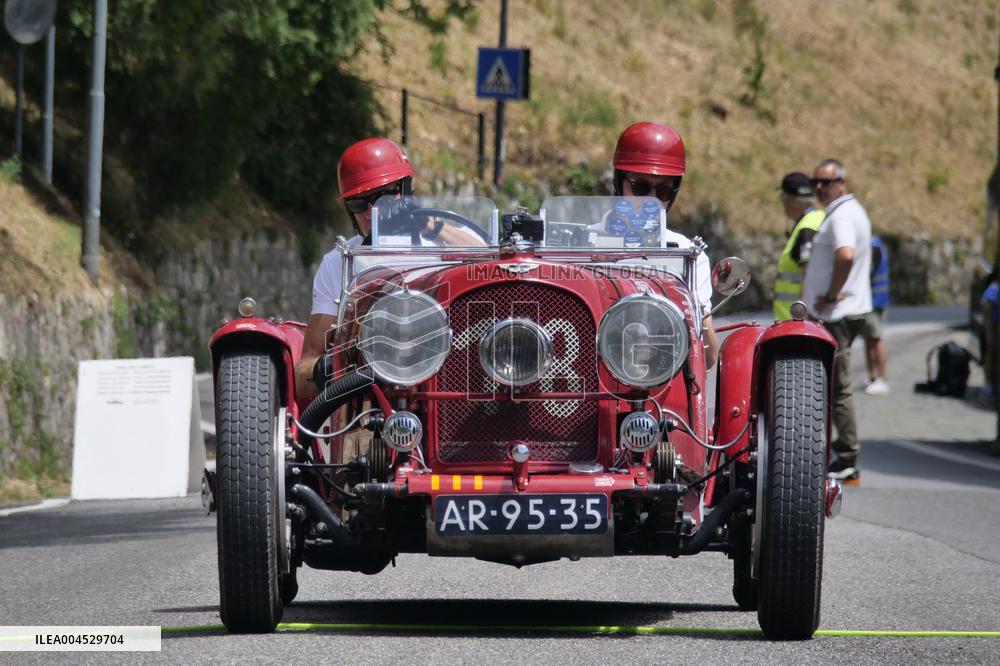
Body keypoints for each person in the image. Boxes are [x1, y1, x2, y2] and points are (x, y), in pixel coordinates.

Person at [611, 121, 719, 368]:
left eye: (662, 191)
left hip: (662, 373)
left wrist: (696, 309)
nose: (651, 200)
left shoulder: (688, 253)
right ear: (619, 182)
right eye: (640, 187)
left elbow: (709, 357)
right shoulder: (581, 241)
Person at [801, 158, 872, 486]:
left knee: (837, 387)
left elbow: (845, 255)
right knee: (834, 385)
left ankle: (846, 457)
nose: (819, 188)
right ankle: (841, 454)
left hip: (837, 314)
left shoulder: (842, 215)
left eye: (826, 182)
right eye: (816, 182)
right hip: (847, 309)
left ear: (841, 182)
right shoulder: (851, 210)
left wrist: (831, 295)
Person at [772, 172, 824, 321]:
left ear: (789, 200)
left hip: (798, 321)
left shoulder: (807, 227)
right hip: (797, 319)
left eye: (782, 198)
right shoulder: (817, 219)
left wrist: (802, 317)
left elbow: (810, 275)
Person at [862, 235, 890, 395]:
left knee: (876, 338)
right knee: (869, 338)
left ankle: (881, 378)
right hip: (871, 300)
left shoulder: (873, 246)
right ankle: (872, 377)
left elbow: (867, 271)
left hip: (875, 301)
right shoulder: (875, 244)